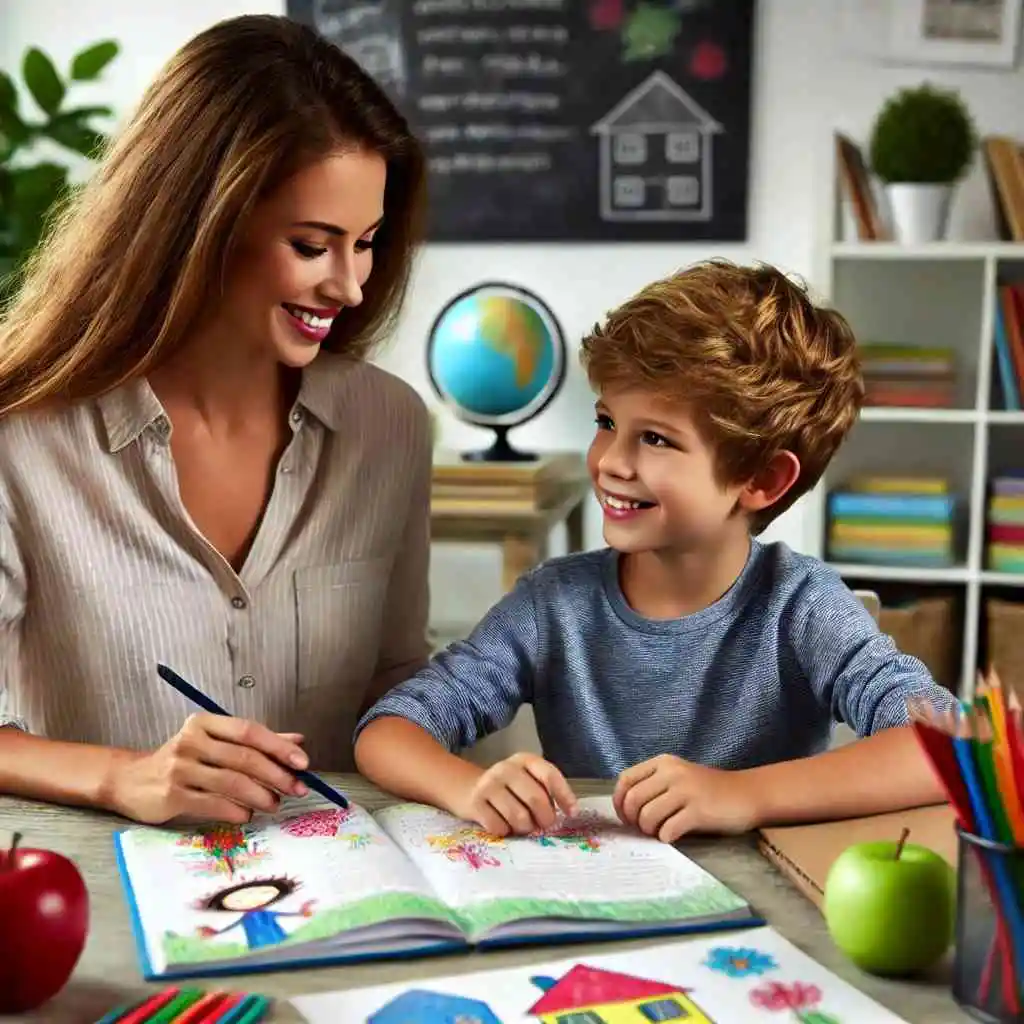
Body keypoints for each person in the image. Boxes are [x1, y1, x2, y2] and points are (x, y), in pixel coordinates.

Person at [353, 260, 959, 843]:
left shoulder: (802, 607)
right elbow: (385, 732)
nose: (612, 462)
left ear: (763, 481)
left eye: (655, 438)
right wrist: (469, 787)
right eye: (607, 421)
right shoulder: (551, 604)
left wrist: (741, 794)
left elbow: (948, 748)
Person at [0, 15, 431, 827]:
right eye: (312, 245)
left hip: (355, 887)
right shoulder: (20, 439)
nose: (350, 287)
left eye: (367, 243)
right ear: (199, 226)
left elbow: (399, 675)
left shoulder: (390, 426)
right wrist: (120, 777)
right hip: (106, 902)